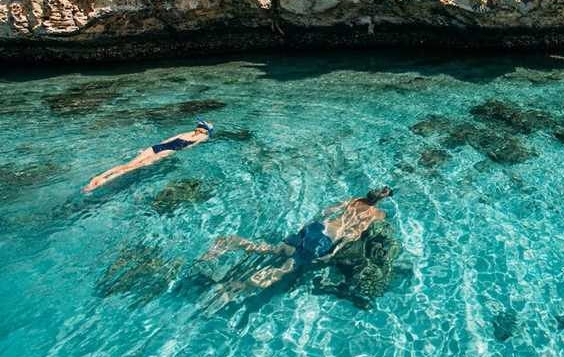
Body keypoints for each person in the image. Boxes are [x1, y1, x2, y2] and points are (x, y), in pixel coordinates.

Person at [202, 186, 394, 290]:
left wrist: (309, 226)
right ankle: (241, 286)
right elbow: (353, 234)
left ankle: (233, 242)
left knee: (276, 249)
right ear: (382, 200)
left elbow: (327, 211)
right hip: (325, 240)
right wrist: (333, 253)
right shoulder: (375, 214)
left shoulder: (354, 200)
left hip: (316, 228)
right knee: (287, 267)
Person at [83, 120, 214, 193]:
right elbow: (187, 148)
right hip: (166, 152)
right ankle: (101, 183)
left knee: (128, 164)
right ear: (207, 130)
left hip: (155, 148)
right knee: (131, 169)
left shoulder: (187, 131)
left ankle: (100, 176)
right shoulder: (204, 137)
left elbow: (166, 140)